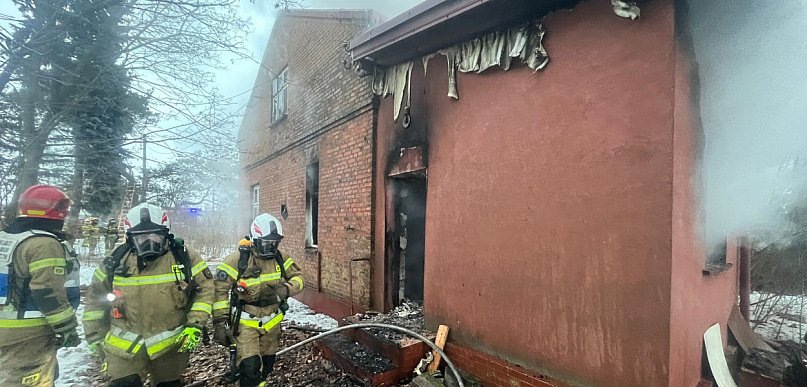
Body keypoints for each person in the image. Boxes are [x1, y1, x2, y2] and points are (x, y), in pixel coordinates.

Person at [82, 203, 214, 387]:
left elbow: (205, 290)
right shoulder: (116, 260)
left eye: (155, 235)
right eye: (142, 237)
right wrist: (94, 335)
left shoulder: (183, 257)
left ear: (166, 234)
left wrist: (195, 324)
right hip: (123, 350)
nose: (149, 242)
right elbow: (95, 299)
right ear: (130, 238)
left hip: (169, 348)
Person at [0, 185, 81, 387]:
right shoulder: (44, 244)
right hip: (28, 333)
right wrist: (67, 327)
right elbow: (46, 291)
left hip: (6, 329)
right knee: (31, 381)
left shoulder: (7, 238)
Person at [212, 213, 304, 387]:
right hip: (246, 324)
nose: (271, 248)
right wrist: (219, 321)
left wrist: (286, 289)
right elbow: (220, 291)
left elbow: (299, 278)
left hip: (272, 323)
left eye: (274, 243)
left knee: (267, 366)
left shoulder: (280, 257)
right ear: (254, 240)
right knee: (250, 367)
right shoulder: (237, 260)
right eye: (266, 243)